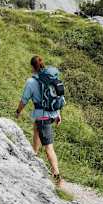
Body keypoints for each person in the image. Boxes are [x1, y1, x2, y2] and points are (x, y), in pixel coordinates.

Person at [15, 55, 62, 185]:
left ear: (32, 67)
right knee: (36, 128)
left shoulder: (31, 82)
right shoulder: (50, 78)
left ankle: (57, 177)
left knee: (49, 148)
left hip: (43, 116)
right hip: (52, 114)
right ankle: (34, 154)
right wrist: (58, 114)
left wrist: (18, 111)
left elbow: (24, 100)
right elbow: (57, 96)